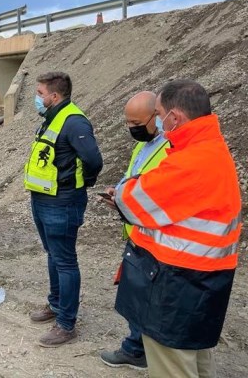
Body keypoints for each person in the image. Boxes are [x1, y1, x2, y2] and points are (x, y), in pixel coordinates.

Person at [114, 80, 242, 378]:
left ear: (175, 117)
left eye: (158, 113)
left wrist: (123, 189)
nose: (157, 121)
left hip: (179, 282)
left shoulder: (191, 162)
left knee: (172, 365)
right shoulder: (210, 146)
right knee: (194, 358)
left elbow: (131, 201)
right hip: (204, 278)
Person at [24, 71, 103, 347]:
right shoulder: (52, 118)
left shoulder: (74, 121)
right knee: (53, 255)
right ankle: (55, 304)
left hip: (62, 201)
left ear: (54, 96)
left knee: (65, 260)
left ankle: (67, 323)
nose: (37, 98)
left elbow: (93, 160)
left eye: (40, 93)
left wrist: (81, 183)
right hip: (43, 199)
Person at [99, 91, 169, 370]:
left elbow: (159, 195)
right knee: (137, 295)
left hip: (155, 237)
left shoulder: (170, 150)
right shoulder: (145, 145)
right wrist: (118, 191)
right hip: (136, 232)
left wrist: (126, 200)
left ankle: (139, 349)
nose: (132, 129)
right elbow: (133, 176)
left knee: (147, 298)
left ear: (157, 117)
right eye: (128, 123)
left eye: (136, 123)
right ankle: (136, 347)